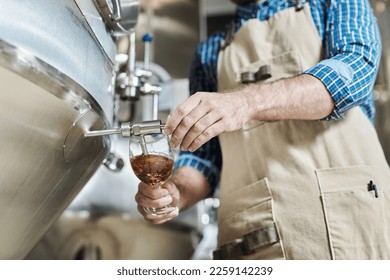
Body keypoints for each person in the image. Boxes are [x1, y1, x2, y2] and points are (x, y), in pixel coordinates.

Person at [135, 0, 390, 259]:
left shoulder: (332, 3)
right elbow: (204, 158)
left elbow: (354, 71)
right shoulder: (209, 51)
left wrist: (245, 102)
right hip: (255, 239)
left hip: (348, 224)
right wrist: (176, 192)